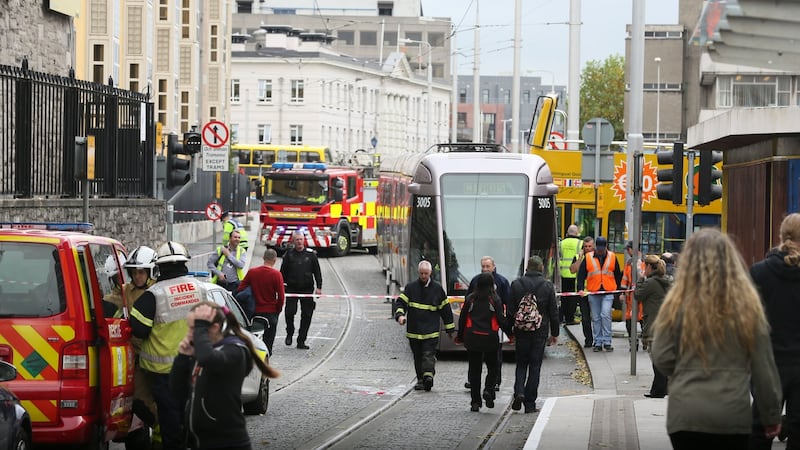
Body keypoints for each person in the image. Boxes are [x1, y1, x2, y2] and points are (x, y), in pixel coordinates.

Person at [651, 229, 782, 449]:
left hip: (686, 415)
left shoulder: (675, 304)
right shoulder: (748, 306)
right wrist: (771, 416)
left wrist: (685, 370)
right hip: (732, 416)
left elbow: (661, 356)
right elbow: (764, 370)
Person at [130, 241, 207, 450]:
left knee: (170, 419)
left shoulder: (152, 295)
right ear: (184, 264)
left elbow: (138, 329)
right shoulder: (200, 289)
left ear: (159, 267)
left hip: (164, 373)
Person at [171, 301, 279, 450]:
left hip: (227, 441)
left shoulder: (235, 351)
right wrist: (182, 358)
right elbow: (177, 390)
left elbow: (209, 360)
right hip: (199, 441)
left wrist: (201, 327)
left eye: (194, 328)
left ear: (214, 328)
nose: (190, 334)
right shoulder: (204, 351)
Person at [749, 213, 800, 449]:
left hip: (768, 366)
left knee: (760, 433)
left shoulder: (759, 272)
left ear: (781, 236)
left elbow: (748, 320)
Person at [508, 256, 559, 414]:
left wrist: (510, 331)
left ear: (527, 268)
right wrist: (555, 333)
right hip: (539, 331)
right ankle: (530, 403)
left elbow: (510, 310)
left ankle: (519, 392)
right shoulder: (547, 286)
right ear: (541, 268)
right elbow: (553, 311)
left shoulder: (516, 284)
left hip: (521, 330)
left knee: (521, 364)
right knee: (535, 366)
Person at [394, 260, 455, 391]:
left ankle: (428, 376)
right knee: (417, 356)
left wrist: (450, 329)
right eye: (421, 273)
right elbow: (400, 303)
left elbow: (445, 310)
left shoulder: (437, 289)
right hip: (414, 331)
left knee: (428, 354)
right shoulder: (411, 288)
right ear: (418, 273)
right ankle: (421, 379)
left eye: (426, 274)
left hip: (430, 331)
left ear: (430, 273)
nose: (423, 276)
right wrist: (400, 316)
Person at [456, 272, 508, 412]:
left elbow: (462, 319)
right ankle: (488, 389)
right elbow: (501, 320)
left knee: (474, 370)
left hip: (472, 338)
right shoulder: (495, 299)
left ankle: (475, 401)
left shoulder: (470, 299)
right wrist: (511, 334)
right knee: (493, 367)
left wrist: (460, 336)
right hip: (490, 339)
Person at [463, 256, 510, 391]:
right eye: (483, 266)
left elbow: (507, 301)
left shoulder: (501, 282)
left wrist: (506, 324)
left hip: (494, 326)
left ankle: (495, 382)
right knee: (474, 360)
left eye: (487, 266)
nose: (485, 269)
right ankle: (473, 381)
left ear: (493, 267)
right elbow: (468, 300)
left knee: (495, 357)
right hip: (477, 325)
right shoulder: (475, 281)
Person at [633, 254, 671, 398]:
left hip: (654, 324)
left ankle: (658, 390)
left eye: (645, 267)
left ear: (649, 267)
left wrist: (641, 279)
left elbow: (638, 295)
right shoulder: (666, 280)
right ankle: (661, 388)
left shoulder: (651, 283)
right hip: (666, 323)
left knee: (656, 358)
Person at [576, 236, 622, 352]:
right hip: (594, 291)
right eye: (599, 247)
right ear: (596, 246)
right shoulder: (588, 257)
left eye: (602, 247)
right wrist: (580, 288)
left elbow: (617, 274)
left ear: (605, 246)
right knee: (596, 318)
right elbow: (581, 275)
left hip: (608, 291)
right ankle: (598, 342)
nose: (600, 250)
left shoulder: (612, 257)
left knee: (605, 314)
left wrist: (618, 290)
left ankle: (607, 341)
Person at [236, 248, 285, 354]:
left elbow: (240, 289)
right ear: (275, 260)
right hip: (270, 311)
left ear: (263, 258)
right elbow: (281, 296)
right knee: (270, 335)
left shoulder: (252, 272)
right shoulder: (277, 274)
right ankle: (267, 353)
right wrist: (278, 309)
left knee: (250, 333)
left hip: (253, 311)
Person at [281, 231, 322, 350]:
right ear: (293, 241)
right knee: (289, 312)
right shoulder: (289, 255)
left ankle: (301, 340)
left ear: (304, 240)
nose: (299, 242)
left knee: (307, 315)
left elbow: (317, 272)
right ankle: (289, 332)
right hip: (292, 288)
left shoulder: (311, 255)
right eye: (297, 240)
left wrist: (319, 287)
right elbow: (282, 272)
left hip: (307, 289)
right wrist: (282, 287)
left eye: (301, 239)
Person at [570, 236, 595, 348]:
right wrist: (580, 258)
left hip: (594, 291)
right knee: (585, 318)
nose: (588, 248)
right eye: (586, 246)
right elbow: (572, 270)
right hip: (582, 292)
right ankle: (588, 339)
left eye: (590, 246)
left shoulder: (596, 257)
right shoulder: (578, 257)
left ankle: (598, 339)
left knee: (596, 317)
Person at [621, 241, 643, 349]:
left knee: (643, 320)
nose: (627, 252)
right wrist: (622, 293)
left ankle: (646, 340)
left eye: (628, 249)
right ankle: (633, 342)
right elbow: (625, 279)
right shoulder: (629, 263)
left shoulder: (644, 261)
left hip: (642, 297)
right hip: (631, 297)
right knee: (629, 321)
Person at [559, 225, 582, 325]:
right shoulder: (580, 243)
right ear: (577, 233)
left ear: (567, 233)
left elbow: (558, 258)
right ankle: (570, 318)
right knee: (572, 297)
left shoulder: (561, 243)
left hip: (563, 274)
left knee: (563, 297)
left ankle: (561, 317)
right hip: (574, 274)